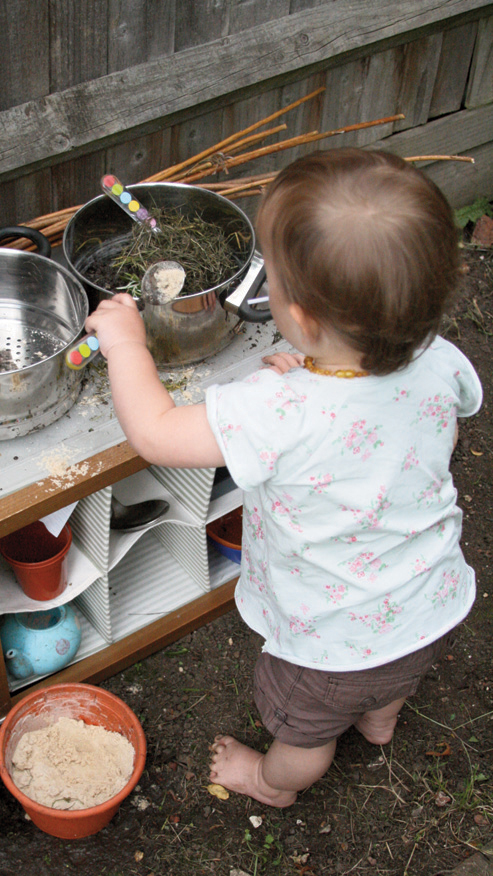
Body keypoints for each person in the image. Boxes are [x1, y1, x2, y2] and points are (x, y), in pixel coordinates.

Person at [84, 148, 482, 808]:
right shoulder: (438, 358)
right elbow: (438, 426)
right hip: (431, 600)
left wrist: (125, 340)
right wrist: (314, 372)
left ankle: (269, 785)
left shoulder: (275, 412)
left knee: (303, 734)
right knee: (391, 677)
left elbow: (155, 433)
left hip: (330, 643)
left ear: (299, 317)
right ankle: (380, 718)